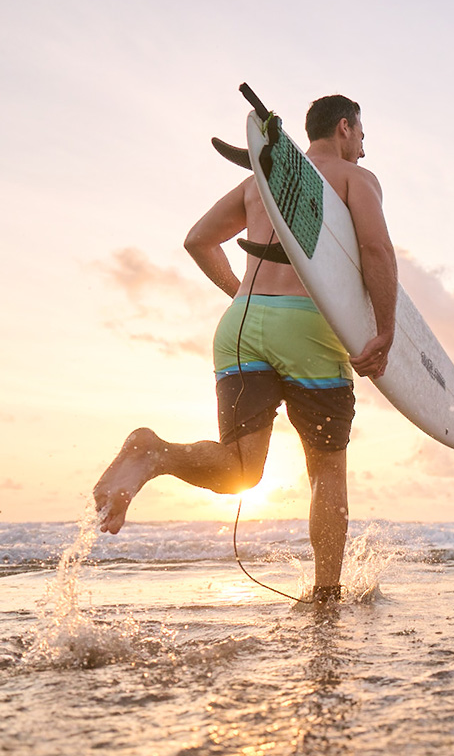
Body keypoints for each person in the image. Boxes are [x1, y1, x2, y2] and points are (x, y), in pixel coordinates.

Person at [93, 95, 397, 603]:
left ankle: (155, 453)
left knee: (239, 470)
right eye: (362, 136)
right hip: (311, 332)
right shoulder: (354, 181)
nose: (363, 150)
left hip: (241, 326)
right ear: (344, 128)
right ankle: (326, 594)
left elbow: (197, 240)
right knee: (325, 469)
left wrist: (241, 293)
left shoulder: (260, 182)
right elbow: (375, 249)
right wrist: (384, 330)